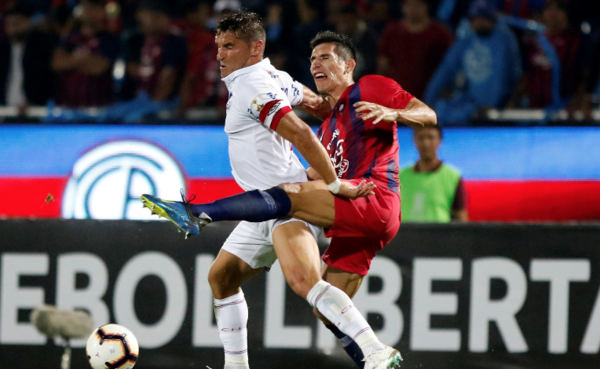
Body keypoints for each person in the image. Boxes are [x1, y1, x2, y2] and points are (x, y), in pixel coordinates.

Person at [143, 27, 436, 369]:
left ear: (348, 65)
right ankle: (374, 357)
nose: (315, 64)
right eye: (312, 59)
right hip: (353, 219)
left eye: (325, 57)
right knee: (322, 308)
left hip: (375, 199)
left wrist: (395, 114)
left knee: (290, 196)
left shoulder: (371, 87)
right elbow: (315, 153)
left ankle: (197, 212)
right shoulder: (327, 126)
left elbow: (428, 115)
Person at [423, 0, 522, 125]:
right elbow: (445, 70)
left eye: (483, 18)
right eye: (475, 19)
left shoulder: (504, 39)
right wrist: (428, 100)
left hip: (499, 110)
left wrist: (505, 102)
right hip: (473, 107)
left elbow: (511, 75)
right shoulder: (466, 40)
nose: (479, 23)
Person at [378, 0, 454, 99]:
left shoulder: (440, 33)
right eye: (409, 4)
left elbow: (449, 67)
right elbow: (383, 64)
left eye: (417, 5)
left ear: (426, 7)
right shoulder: (392, 30)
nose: (412, 9)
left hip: (427, 97)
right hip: (395, 97)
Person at [51, 0, 119, 107]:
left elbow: (99, 68)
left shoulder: (109, 38)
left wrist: (71, 61)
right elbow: (56, 63)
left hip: (99, 108)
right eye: (85, 6)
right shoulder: (71, 37)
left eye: (94, 8)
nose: (89, 12)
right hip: (67, 106)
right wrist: (85, 60)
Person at [400, 125, 468, 222]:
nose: (426, 143)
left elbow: (460, 218)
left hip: (439, 235)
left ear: (440, 140)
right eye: (421, 137)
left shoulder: (453, 176)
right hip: (405, 235)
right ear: (414, 140)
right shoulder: (399, 176)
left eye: (430, 137)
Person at [124, 0, 187, 101]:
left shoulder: (174, 41)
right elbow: (132, 72)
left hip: (165, 103)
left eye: (144, 19)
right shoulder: (134, 40)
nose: (140, 22)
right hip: (136, 101)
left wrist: (153, 105)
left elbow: (168, 79)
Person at [0, 4, 56, 112]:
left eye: (18, 23)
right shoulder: (3, 49)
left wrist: (33, 101)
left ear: (28, 22)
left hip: (34, 110)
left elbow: (44, 79)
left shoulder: (41, 46)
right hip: (4, 110)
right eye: (10, 24)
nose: (14, 28)